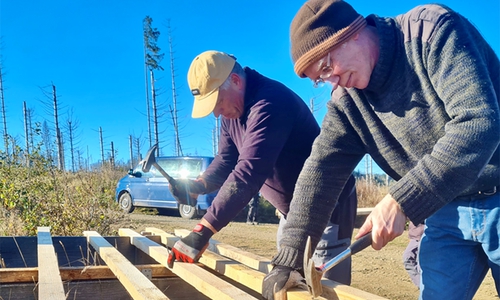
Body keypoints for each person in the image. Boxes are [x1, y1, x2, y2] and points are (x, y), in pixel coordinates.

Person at [262, 0, 499, 299]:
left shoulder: (431, 31)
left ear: (352, 32)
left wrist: (400, 200)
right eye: (320, 79)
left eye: (326, 66)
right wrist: (289, 258)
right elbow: (319, 173)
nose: (332, 80)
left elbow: (478, 123)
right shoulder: (347, 100)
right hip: (445, 210)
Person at [167, 50, 358, 285]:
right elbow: (226, 161)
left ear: (235, 81)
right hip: (292, 213)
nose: (216, 113)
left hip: (327, 207)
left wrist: (203, 231)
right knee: (288, 280)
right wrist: (197, 186)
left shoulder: (269, 103)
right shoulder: (232, 113)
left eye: (217, 102)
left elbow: (248, 173)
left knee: (323, 286)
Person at [403, 221, 424, 288]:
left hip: (425, 235)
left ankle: (424, 289)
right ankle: (421, 286)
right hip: (415, 236)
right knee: (407, 258)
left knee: (421, 266)